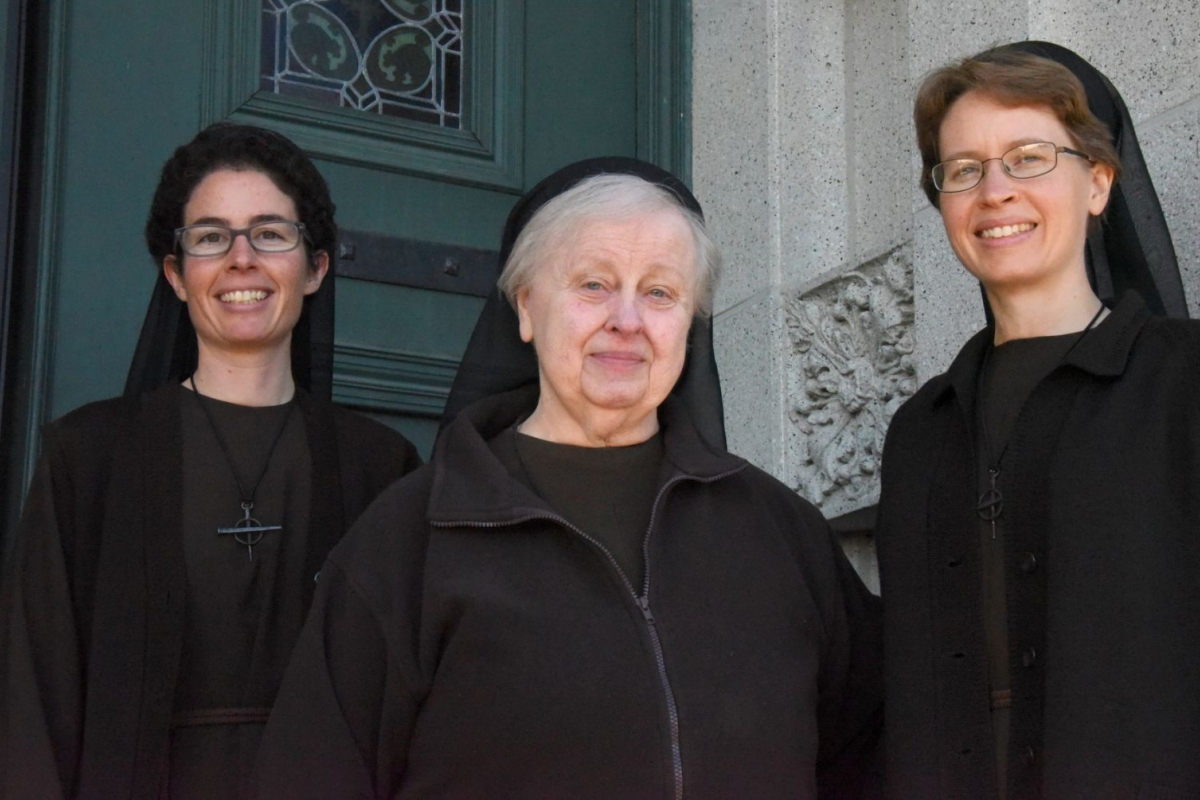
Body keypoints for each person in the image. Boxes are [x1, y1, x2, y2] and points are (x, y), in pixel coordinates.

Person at [252, 158, 883, 798]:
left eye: (660, 293)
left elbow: (872, 756)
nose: (627, 320)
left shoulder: (781, 534)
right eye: (593, 284)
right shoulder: (409, 540)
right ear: (525, 306)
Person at [0, 123, 422, 799]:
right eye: (210, 236)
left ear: (315, 267)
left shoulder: (384, 469)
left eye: (270, 233)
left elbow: (412, 708)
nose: (241, 259)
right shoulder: (87, 459)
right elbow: (32, 694)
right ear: (176, 273)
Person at [875, 42, 1199, 799]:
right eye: (964, 170)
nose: (995, 191)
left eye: (1028, 157)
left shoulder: (1185, 380)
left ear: (1099, 183)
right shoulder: (918, 431)